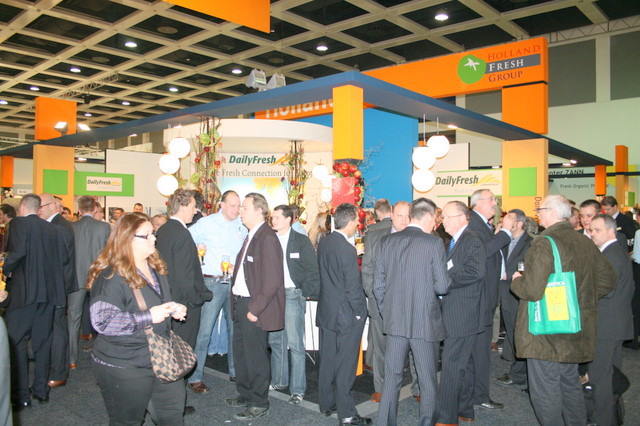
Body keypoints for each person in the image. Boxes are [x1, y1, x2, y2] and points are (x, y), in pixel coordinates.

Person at [511, 195, 616, 426]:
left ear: (551, 212)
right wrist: (578, 299)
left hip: (546, 332)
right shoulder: (584, 241)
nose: (538, 214)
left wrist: (517, 280)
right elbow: (607, 280)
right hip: (574, 327)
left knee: (545, 389)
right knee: (570, 384)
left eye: (540, 209)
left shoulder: (544, 243)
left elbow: (532, 290)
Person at [87, 212, 188, 425]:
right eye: (147, 235)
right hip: (124, 364)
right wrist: (150, 316)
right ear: (127, 239)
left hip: (160, 356)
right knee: (127, 421)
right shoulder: (111, 277)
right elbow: (103, 321)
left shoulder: (155, 267)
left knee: (172, 415)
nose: (154, 238)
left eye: (154, 233)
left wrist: (172, 307)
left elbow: (156, 301)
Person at [374, 198, 449, 426]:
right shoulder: (433, 243)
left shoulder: (387, 241)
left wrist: (388, 313)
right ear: (428, 216)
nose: (436, 224)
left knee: (391, 378)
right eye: (435, 219)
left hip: (395, 322)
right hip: (424, 323)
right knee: (427, 380)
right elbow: (442, 286)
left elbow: (378, 285)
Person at [3, 194, 66, 410]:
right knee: (43, 343)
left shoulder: (18, 224)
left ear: (22, 207)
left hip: (24, 294)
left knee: (16, 342)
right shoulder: (53, 229)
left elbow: (18, 252)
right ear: (38, 208)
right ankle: (41, 390)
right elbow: (63, 258)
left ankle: (21, 395)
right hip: (48, 294)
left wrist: (5, 268)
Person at [227, 193, 284, 421]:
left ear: (259, 211)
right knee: (241, 354)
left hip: (253, 307)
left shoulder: (267, 238)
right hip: (241, 303)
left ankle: (259, 402)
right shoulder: (251, 235)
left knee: (256, 357)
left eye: (245, 207)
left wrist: (255, 309)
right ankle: (246, 394)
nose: (240, 211)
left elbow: (272, 280)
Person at [317, 203, 371, 425]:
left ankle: (326, 403)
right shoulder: (347, 249)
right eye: (357, 220)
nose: (358, 224)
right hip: (345, 314)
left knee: (328, 359)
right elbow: (352, 286)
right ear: (350, 222)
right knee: (346, 365)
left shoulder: (325, 242)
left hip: (327, 311)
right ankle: (347, 414)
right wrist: (360, 312)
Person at [188, 190, 247, 392]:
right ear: (222, 205)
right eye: (232, 205)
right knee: (204, 332)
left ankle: (235, 371)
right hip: (212, 282)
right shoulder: (206, 223)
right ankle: (195, 377)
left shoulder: (241, 225)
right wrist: (197, 253)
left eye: (238, 205)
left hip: (234, 283)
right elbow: (186, 240)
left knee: (234, 329)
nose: (236, 209)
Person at [437, 201, 486, 425]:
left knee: (452, 365)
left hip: (462, 313)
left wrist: (445, 281)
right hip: (458, 311)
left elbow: (475, 272)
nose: (443, 221)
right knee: (464, 365)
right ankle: (465, 409)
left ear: (460, 217)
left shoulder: (471, 240)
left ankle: (447, 417)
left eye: (447, 217)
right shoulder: (455, 241)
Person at [268, 205, 320, 405]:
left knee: (295, 344)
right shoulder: (269, 240)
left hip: (292, 295)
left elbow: (312, 270)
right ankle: (279, 381)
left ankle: (297, 390)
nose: (273, 220)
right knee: (276, 341)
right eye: (273, 217)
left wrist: (304, 294)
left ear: (288, 219)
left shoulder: (300, 241)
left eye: (277, 217)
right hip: (274, 296)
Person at [467, 189, 513, 410]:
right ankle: (478, 395)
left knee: (480, 352)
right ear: (478, 203)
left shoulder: (482, 224)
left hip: (485, 297)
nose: (495, 203)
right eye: (492, 200)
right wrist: (505, 233)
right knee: (478, 352)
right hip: (479, 298)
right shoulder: (474, 224)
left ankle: (478, 394)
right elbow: (482, 252)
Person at [586, 213, 634, 426]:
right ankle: (612, 417)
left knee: (600, 377)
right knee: (610, 374)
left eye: (597, 230)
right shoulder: (616, 253)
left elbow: (605, 291)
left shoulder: (610, 255)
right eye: (591, 230)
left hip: (606, 325)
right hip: (615, 323)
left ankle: (602, 419)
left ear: (611, 231)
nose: (592, 233)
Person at [361, 201, 411, 401]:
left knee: (410, 350)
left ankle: (416, 388)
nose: (404, 220)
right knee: (380, 349)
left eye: (408, 216)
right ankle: (381, 388)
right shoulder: (375, 237)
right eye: (400, 216)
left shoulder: (420, 238)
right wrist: (372, 293)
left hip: (409, 305)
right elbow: (367, 268)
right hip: (379, 302)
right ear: (391, 214)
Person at [156, 189, 212, 349]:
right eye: (193, 207)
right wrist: (196, 300)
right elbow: (184, 276)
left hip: (168, 298)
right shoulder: (182, 234)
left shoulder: (164, 230)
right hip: (184, 304)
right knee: (184, 350)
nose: (195, 211)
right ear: (182, 206)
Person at [69, 196, 111, 371]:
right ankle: (103, 355)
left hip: (76, 278)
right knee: (102, 316)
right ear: (95, 209)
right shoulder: (104, 227)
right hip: (98, 278)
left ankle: (72, 359)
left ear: (79, 210)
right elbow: (109, 253)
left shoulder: (71, 227)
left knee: (73, 319)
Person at [39, 193, 76, 389]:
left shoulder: (59, 226)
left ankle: (58, 372)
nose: (38, 210)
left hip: (57, 285)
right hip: (55, 284)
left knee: (57, 329)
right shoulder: (55, 224)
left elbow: (60, 259)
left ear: (52, 206)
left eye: (41, 206)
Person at [495, 209, 532, 389]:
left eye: (509, 218)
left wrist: (507, 274)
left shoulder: (530, 243)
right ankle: (518, 371)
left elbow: (526, 268)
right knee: (511, 333)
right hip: (504, 293)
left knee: (519, 335)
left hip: (517, 295)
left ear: (518, 223)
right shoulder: (504, 240)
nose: (504, 221)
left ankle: (520, 374)